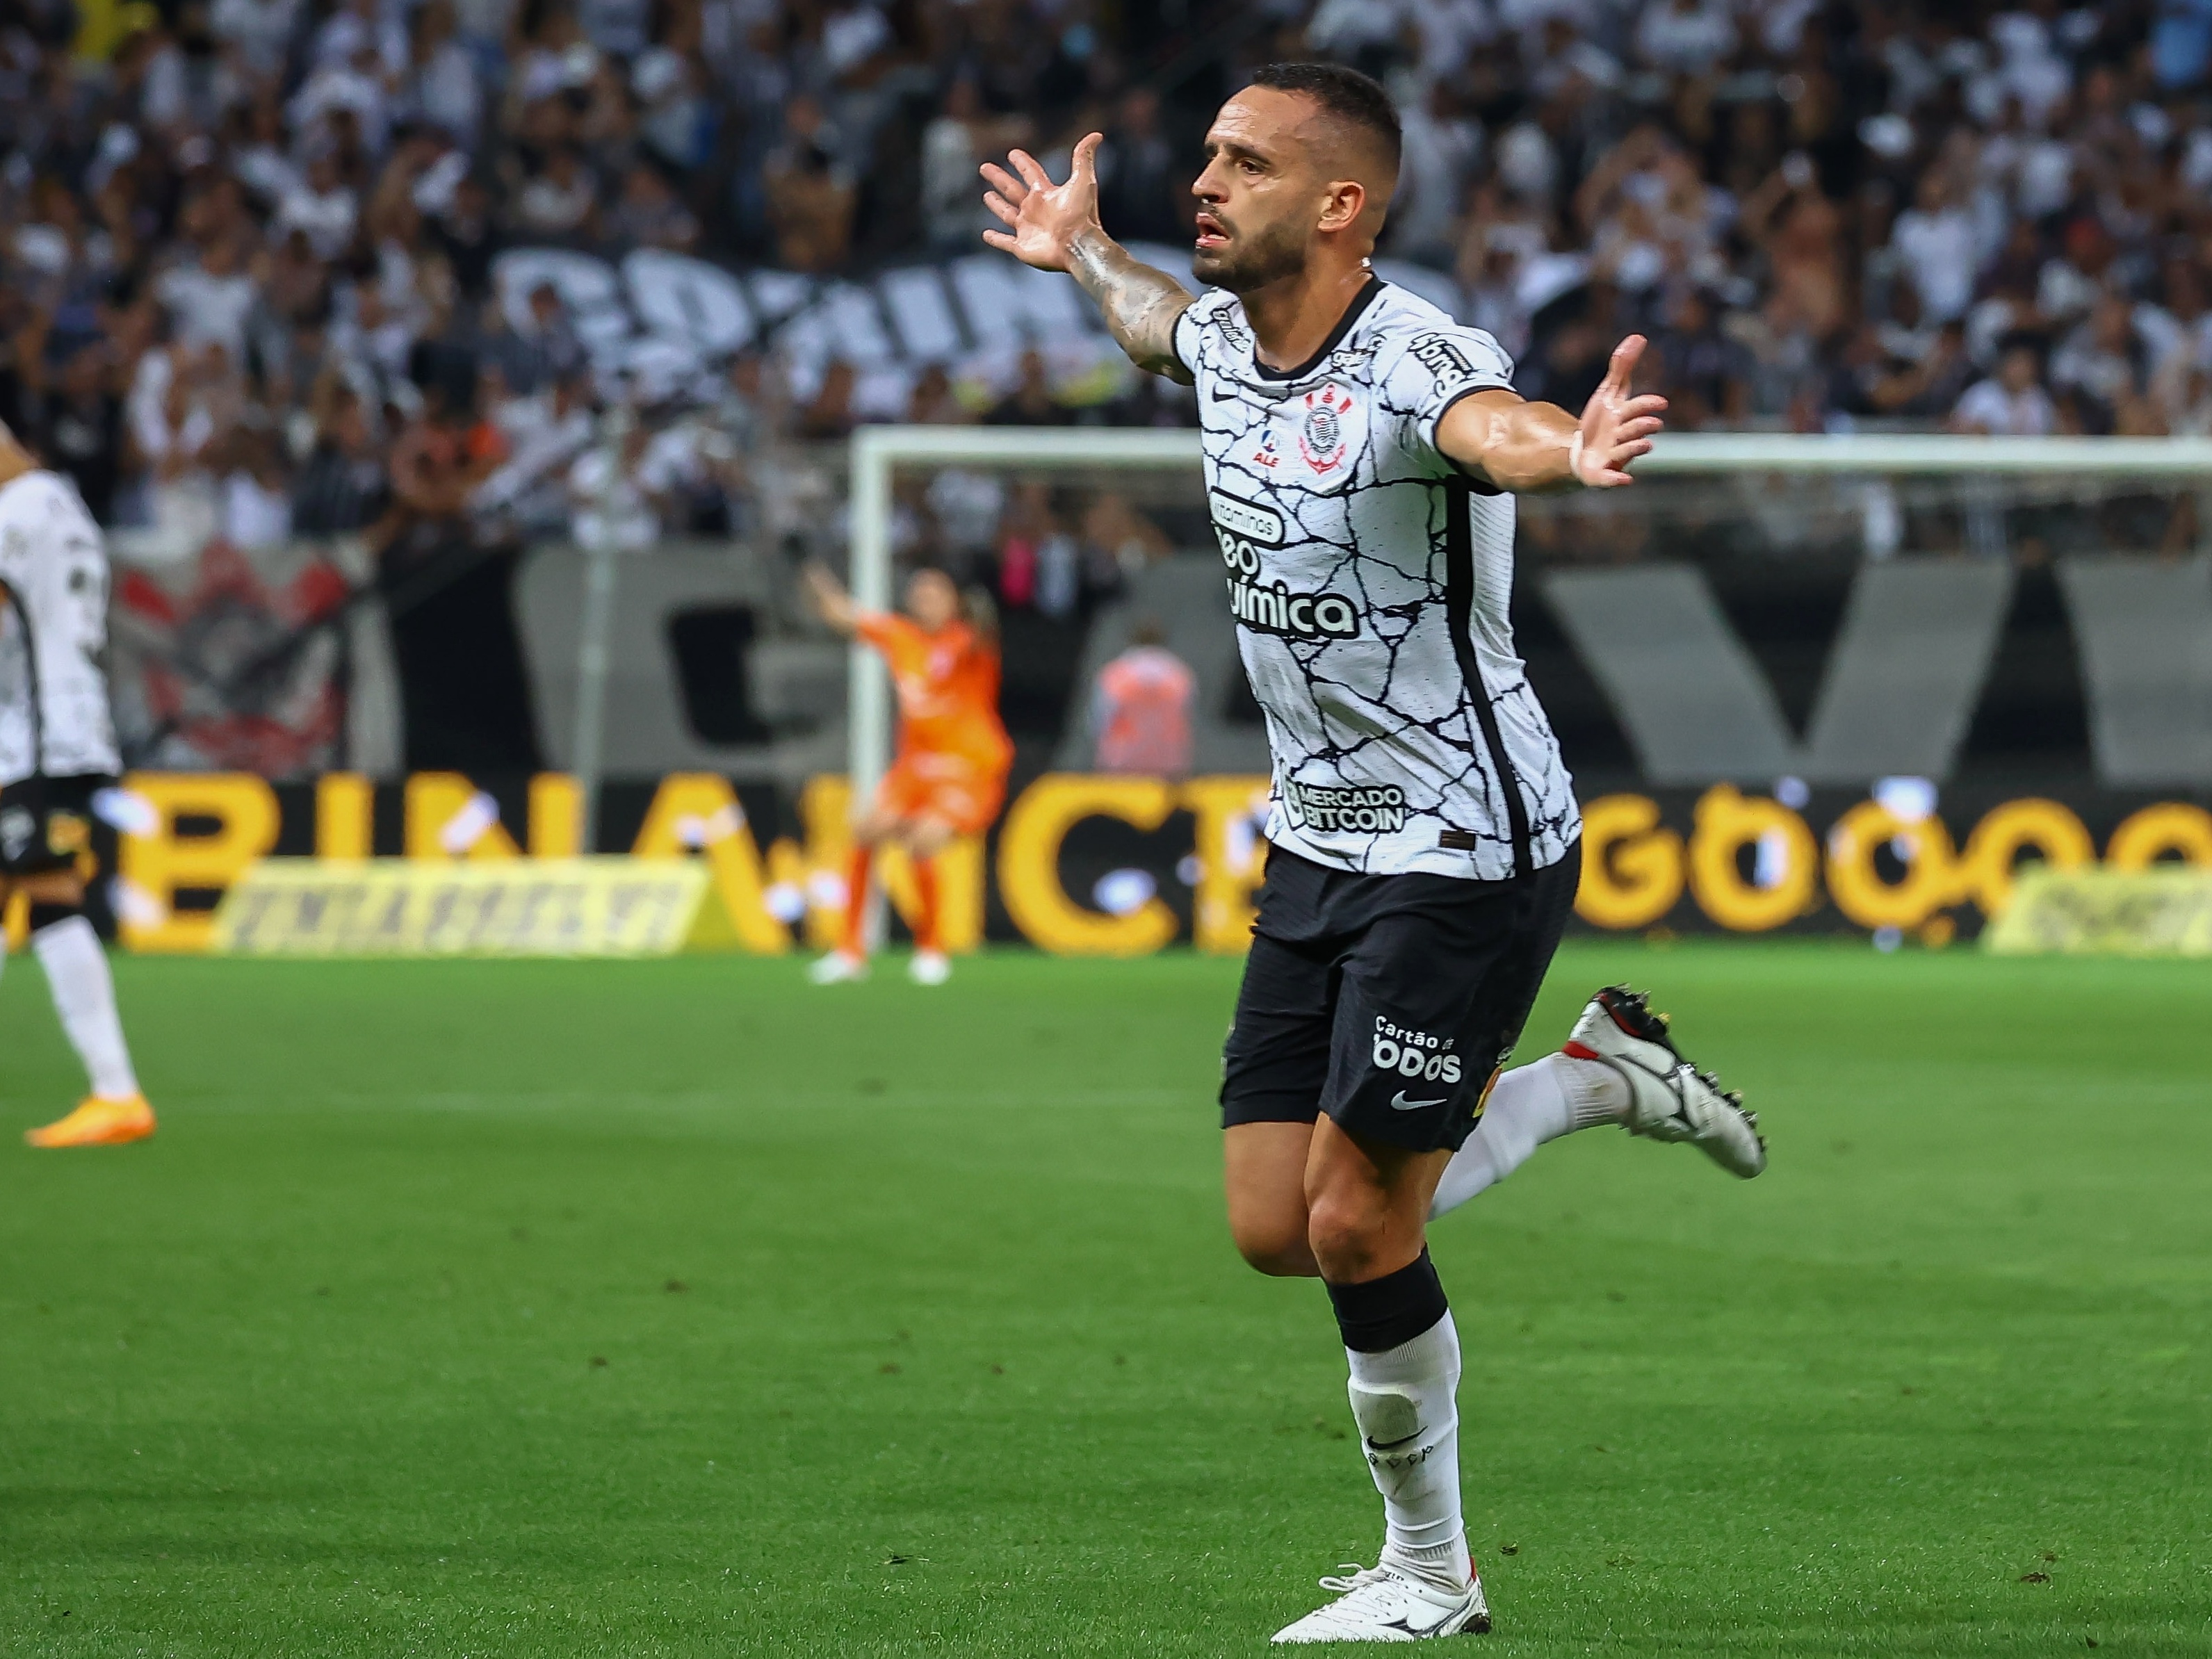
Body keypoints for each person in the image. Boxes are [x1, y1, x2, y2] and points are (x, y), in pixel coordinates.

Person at [981, 61, 1766, 1644]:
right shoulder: (1214, 334)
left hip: (1464, 847)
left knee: (1358, 1225)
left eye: (1243, 163)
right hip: (1317, 841)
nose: (1200, 180)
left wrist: (1575, 447)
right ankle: (1597, 1078)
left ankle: (1430, 1574)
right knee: (1274, 1221)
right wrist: (1080, 247)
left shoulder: (1415, 358)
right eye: (1203, 153)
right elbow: (1148, 323)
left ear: (1340, 205)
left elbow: (1496, 428)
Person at [0, 425, 154, 1147]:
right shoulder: (62, 503)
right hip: (61, 720)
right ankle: (114, 1090)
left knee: (50, 889)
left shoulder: (15, 514)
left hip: (38, 733)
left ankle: (116, 1090)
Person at [802, 562, 1012, 988]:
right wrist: (819, 581)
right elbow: (843, 616)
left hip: (967, 767)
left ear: (954, 602)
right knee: (866, 831)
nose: (925, 601)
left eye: (935, 594)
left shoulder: (968, 641)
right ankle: (849, 952)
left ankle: (931, 950)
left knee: (923, 839)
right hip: (916, 766)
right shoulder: (902, 637)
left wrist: (981, 615)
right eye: (919, 594)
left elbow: (987, 632)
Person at [1089, 619, 1194, 776]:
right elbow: (1187, 715)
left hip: (1123, 757)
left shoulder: (1116, 674)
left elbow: (1100, 719)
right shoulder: (1180, 676)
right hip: (1168, 757)